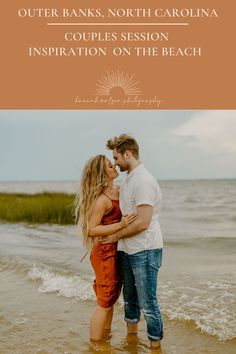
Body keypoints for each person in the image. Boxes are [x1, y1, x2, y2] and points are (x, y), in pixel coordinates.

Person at [101, 134, 164, 349]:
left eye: (116, 157)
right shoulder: (128, 179)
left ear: (127, 154)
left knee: (148, 303)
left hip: (145, 249)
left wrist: (115, 236)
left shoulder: (144, 181)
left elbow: (143, 223)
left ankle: (155, 347)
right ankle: (132, 343)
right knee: (130, 300)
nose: (115, 163)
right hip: (127, 250)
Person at [75, 154, 136, 342]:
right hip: (104, 253)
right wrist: (121, 224)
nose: (114, 166)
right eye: (110, 166)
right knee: (104, 300)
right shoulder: (102, 200)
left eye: (112, 163)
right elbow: (92, 229)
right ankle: (95, 344)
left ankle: (105, 336)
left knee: (111, 298)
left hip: (117, 251)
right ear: (103, 174)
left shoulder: (118, 189)